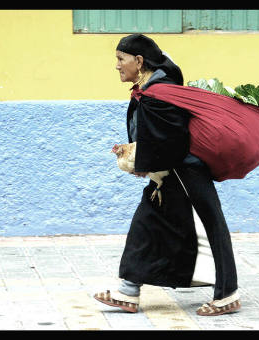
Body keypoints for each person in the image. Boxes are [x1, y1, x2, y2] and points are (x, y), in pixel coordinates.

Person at [94, 34, 240, 316]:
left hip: (185, 171)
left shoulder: (160, 92)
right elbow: (155, 136)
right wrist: (138, 157)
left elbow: (172, 140)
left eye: (120, 59)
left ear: (138, 61)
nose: (117, 65)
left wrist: (143, 163)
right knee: (146, 223)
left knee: (211, 226)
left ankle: (227, 295)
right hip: (168, 172)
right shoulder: (151, 88)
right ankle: (128, 291)